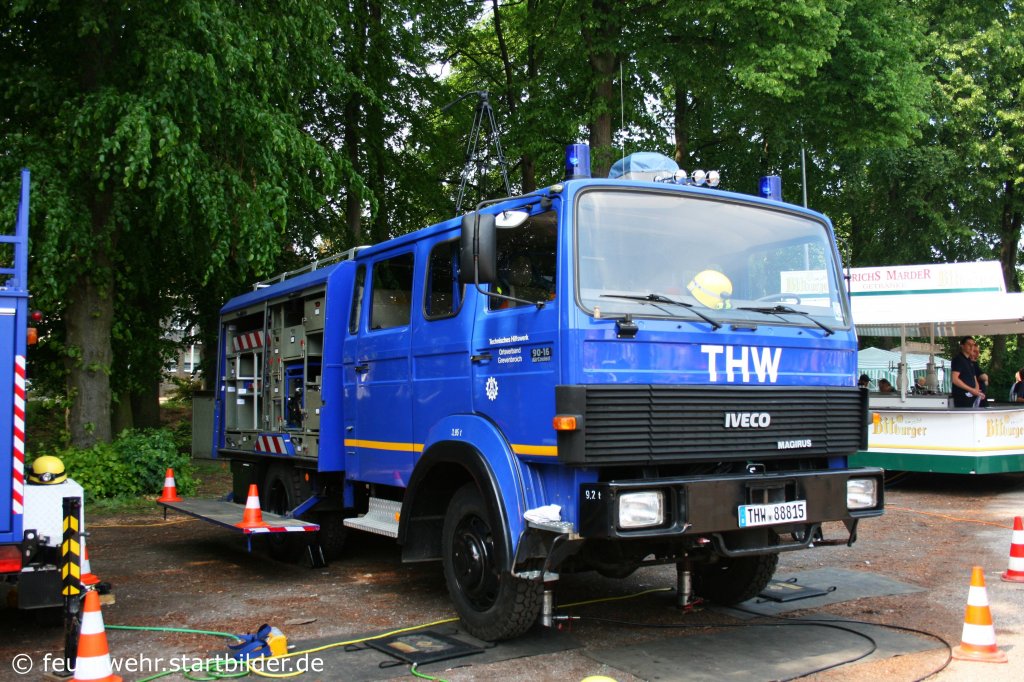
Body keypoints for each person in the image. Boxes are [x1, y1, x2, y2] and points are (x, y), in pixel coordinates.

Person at [951, 336, 984, 408]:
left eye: (973, 345)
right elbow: (955, 379)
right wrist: (972, 390)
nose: (972, 347)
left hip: (971, 396)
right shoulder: (958, 359)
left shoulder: (969, 360)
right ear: (962, 346)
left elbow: (974, 377)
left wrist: (977, 391)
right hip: (962, 396)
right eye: (969, 345)